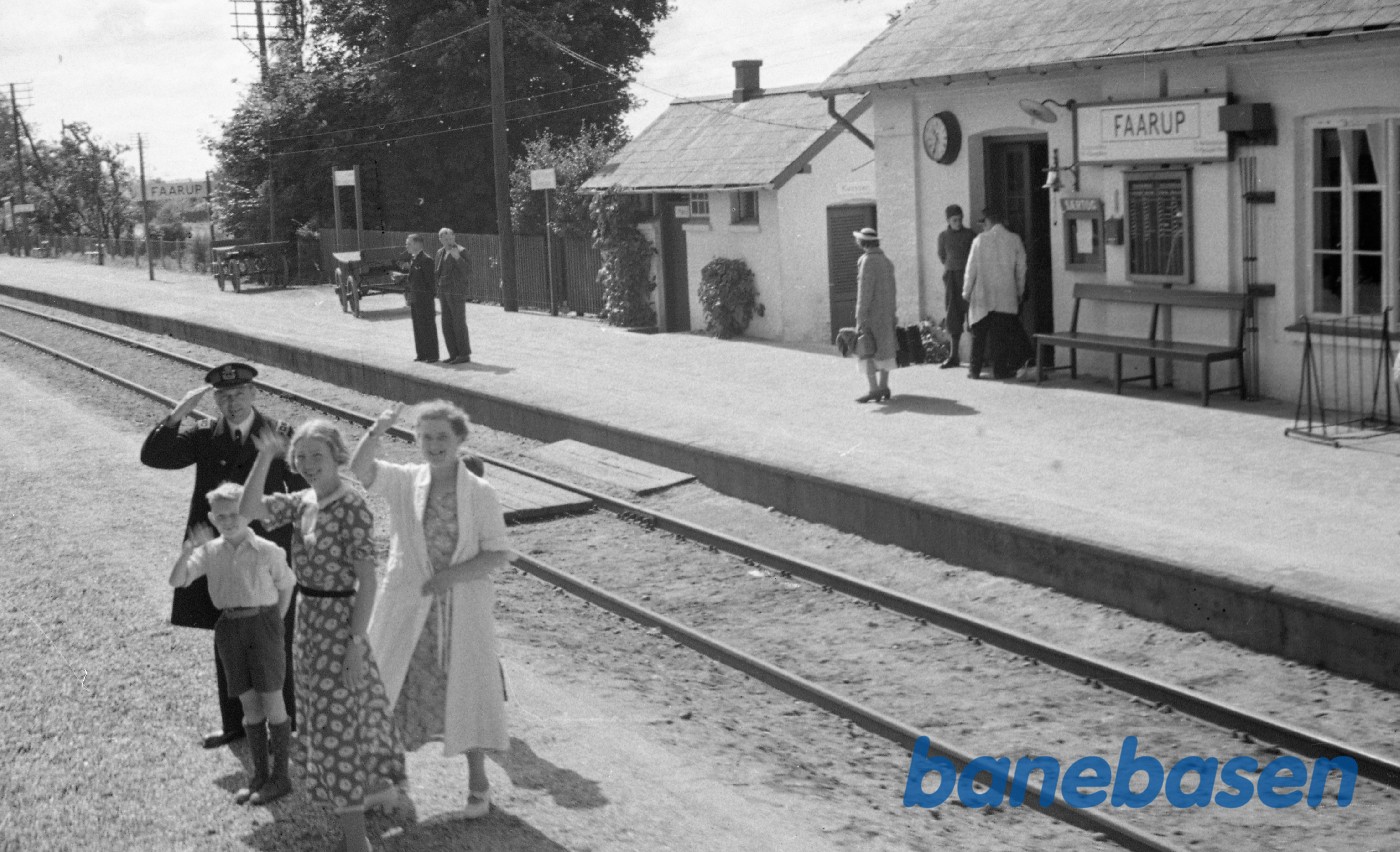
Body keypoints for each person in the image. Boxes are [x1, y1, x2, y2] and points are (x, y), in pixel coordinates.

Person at [240, 420, 405, 852]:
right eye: (302, 456)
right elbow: (247, 509)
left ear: (337, 455)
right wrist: (265, 456)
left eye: (318, 455)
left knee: (335, 731)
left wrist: (354, 644)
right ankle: (373, 788)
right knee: (331, 720)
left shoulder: (352, 505)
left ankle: (356, 842)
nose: (309, 464)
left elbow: (368, 581)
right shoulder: (302, 501)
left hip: (337, 624)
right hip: (308, 620)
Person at [349, 400, 510, 820]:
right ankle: (392, 784)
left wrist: (450, 577)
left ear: (459, 440)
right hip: (409, 605)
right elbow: (360, 470)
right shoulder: (405, 480)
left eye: (443, 437)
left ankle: (478, 794)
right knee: (394, 690)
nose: (434, 444)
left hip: (460, 611)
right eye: (426, 437)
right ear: (416, 440)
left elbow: (497, 554)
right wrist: (376, 430)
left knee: (466, 692)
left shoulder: (480, 493)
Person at [140, 362, 303, 749]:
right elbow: (156, 456)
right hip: (220, 553)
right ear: (215, 399)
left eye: (239, 394)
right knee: (226, 637)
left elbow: (302, 493)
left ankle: (287, 722)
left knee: (275, 636)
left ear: (253, 394)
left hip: (264, 552)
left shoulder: (278, 434)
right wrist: (178, 413)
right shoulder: (204, 435)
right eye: (224, 397)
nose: (232, 403)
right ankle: (236, 725)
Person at [169, 483, 296, 805]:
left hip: (263, 624)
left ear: (249, 512)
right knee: (249, 704)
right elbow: (177, 580)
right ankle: (259, 775)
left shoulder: (268, 550)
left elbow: (287, 585)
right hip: (229, 628)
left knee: (273, 701)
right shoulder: (210, 552)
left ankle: (281, 777)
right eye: (221, 516)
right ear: (212, 517)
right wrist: (187, 551)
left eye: (236, 513)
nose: (229, 521)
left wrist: (275, 622)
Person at [963, 209, 1027, 380]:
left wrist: (966, 291)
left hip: (983, 293)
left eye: (983, 223)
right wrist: (1019, 291)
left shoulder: (979, 240)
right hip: (1006, 293)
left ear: (988, 222)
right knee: (1001, 335)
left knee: (979, 334)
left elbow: (971, 269)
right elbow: (1021, 269)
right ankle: (1000, 370)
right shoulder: (1015, 240)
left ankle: (974, 370)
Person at [853, 226, 897, 403]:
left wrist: (860, 315)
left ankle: (873, 389)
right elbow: (893, 290)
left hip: (871, 314)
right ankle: (884, 386)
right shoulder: (887, 261)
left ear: (863, 243)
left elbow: (864, 292)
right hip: (886, 313)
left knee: (867, 349)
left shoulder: (866, 261)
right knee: (885, 349)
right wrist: (893, 313)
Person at [935, 204, 975, 369]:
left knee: (974, 315)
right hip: (952, 278)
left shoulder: (970, 235)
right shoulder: (943, 236)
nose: (958, 223)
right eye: (954, 220)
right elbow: (942, 256)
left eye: (960, 219)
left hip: (969, 278)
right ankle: (954, 356)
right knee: (953, 315)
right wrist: (952, 267)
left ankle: (976, 356)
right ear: (948, 221)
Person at [400, 234, 440, 363]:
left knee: (427, 326)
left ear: (417, 244)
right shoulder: (415, 259)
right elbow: (415, 278)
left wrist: (427, 298)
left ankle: (432, 355)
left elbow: (430, 282)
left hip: (424, 299)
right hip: (415, 298)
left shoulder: (426, 260)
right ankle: (422, 354)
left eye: (409, 244)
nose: (407, 246)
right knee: (417, 326)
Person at [435, 228, 472, 364]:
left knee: (458, 322)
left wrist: (457, 258)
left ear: (454, 237)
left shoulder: (462, 251)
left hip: (456, 291)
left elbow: (468, 271)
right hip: (444, 291)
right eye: (444, 238)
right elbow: (437, 272)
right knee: (446, 323)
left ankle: (464, 354)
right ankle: (453, 354)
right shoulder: (440, 252)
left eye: (450, 237)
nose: (448, 241)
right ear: (440, 240)